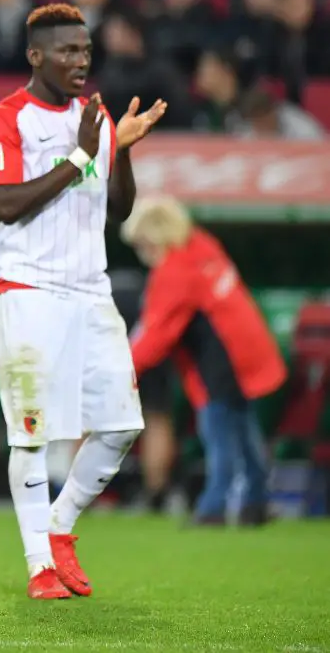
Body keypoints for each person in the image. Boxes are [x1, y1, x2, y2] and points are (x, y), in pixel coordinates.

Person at [0, 3, 166, 599]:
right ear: (36, 56)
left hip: (91, 291)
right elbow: (7, 204)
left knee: (122, 426)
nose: (81, 61)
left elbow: (120, 211)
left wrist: (120, 149)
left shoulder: (96, 117)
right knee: (32, 433)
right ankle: (39, 566)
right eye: (67, 51)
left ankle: (58, 526)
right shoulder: (5, 118)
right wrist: (81, 155)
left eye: (85, 50)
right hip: (30, 290)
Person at [120, 195, 285, 526]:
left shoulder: (174, 272)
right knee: (243, 430)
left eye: (143, 245)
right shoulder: (201, 246)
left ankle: (213, 508)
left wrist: (119, 371)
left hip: (221, 364)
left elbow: (155, 336)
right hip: (247, 353)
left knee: (218, 433)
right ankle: (255, 502)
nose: (143, 253)